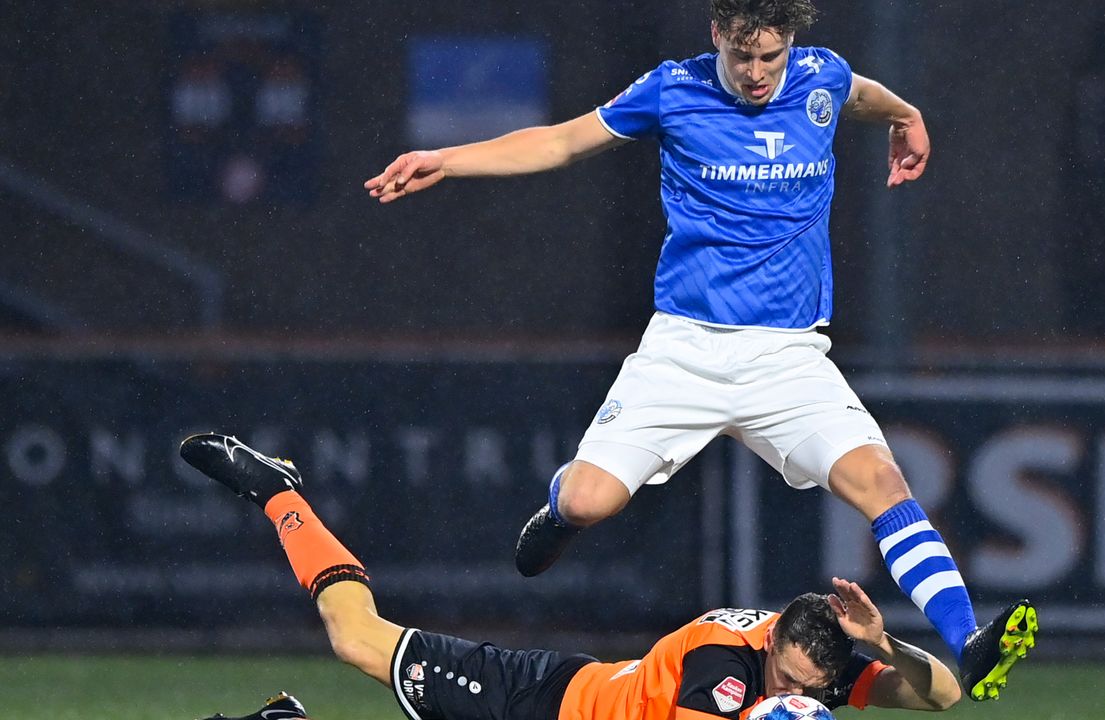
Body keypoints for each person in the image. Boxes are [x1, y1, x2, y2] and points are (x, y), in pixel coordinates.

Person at [363, 0, 1035, 700]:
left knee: (883, 485)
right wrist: (448, 159)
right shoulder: (671, 90)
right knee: (593, 502)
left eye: (770, 57)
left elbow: (860, 92)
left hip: (788, 358)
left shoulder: (820, 78)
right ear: (716, 34)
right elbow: (562, 142)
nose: (755, 73)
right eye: (741, 56)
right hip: (684, 351)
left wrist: (907, 114)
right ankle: (559, 509)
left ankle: (968, 639)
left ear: (792, 45)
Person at [179, 433, 1031, 720]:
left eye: (815, 683)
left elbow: (945, 696)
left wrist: (891, 648)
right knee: (355, 638)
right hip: (538, 700)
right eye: (792, 680)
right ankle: (279, 491)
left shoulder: (818, 664)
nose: (799, 688)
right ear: (771, 645)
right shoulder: (721, 667)